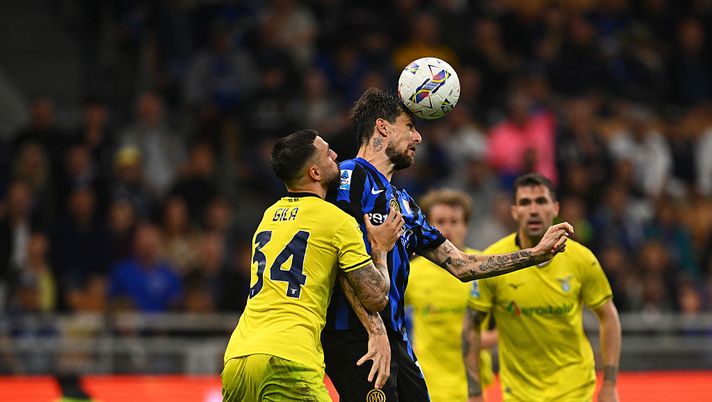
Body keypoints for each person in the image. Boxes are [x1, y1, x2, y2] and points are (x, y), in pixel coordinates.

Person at [322, 88, 573, 402]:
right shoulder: (349, 178)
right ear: (383, 127)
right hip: (356, 334)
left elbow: (462, 265)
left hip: (395, 339)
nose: (418, 138)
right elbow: (344, 262)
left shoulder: (404, 203)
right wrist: (374, 329)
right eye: (410, 127)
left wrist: (535, 254)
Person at [222, 129, 404, 401]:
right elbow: (376, 297)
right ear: (315, 174)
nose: (335, 156)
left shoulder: (268, 216)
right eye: (327, 154)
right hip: (289, 358)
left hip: (238, 358)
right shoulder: (336, 220)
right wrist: (380, 249)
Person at [463, 173, 622, 402]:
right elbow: (471, 327)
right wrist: (475, 392)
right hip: (519, 394)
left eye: (541, 201)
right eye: (526, 203)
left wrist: (609, 383)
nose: (534, 210)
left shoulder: (581, 259)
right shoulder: (494, 261)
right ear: (515, 211)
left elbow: (609, 316)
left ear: (555, 208)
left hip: (575, 389)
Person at [405, 188, 498, 402]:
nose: (447, 228)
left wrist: (487, 338)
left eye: (455, 221)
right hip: (429, 386)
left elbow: (514, 312)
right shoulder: (413, 271)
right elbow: (387, 317)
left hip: (477, 387)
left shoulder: (484, 266)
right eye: (440, 221)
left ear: (466, 226)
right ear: (428, 227)